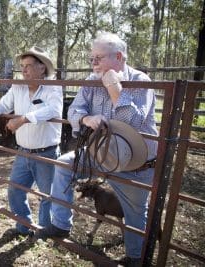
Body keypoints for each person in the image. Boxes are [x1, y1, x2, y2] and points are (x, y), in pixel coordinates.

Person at [35, 32, 158, 265]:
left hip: (135, 163)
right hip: (100, 153)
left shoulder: (142, 81)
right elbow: (73, 111)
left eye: (99, 58)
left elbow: (133, 123)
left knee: (134, 212)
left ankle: (135, 258)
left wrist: (113, 85)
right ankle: (60, 225)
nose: (93, 63)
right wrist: (85, 119)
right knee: (63, 165)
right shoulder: (91, 81)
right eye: (91, 58)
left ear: (119, 57)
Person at [0, 46, 63, 236]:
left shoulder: (53, 87)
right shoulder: (18, 87)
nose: (23, 70)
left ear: (42, 68)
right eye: (22, 66)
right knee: (15, 190)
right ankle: (24, 226)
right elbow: (3, 103)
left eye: (28, 66)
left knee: (46, 196)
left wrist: (24, 118)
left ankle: (42, 230)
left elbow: (54, 110)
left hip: (46, 152)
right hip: (23, 152)